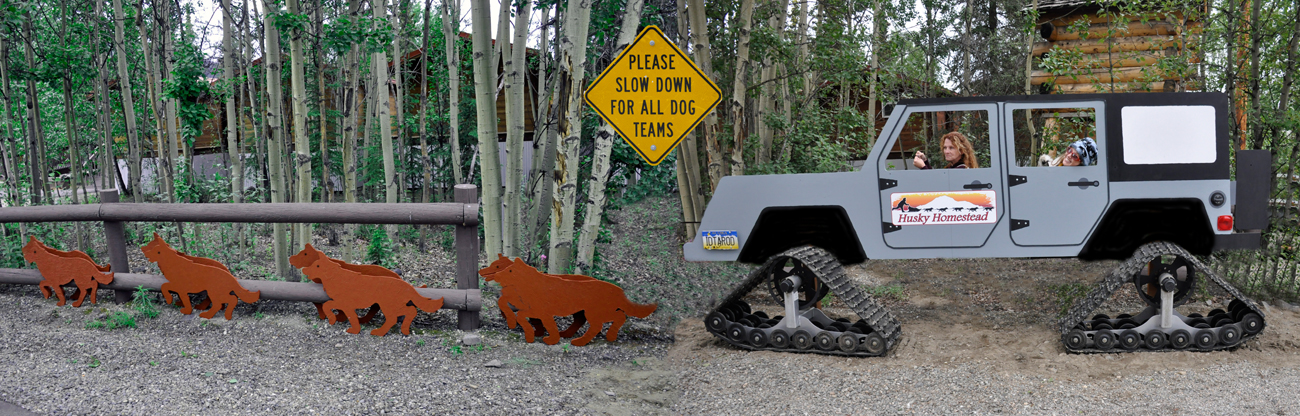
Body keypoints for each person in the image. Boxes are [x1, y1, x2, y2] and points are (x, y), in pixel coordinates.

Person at [913, 131, 980, 169]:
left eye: (951, 148)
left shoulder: (962, 169)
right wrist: (925, 162)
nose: (946, 152)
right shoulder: (953, 167)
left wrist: (923, 167)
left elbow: (937, 186)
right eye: (945, 148)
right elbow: (935, 179)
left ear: (962, 151)